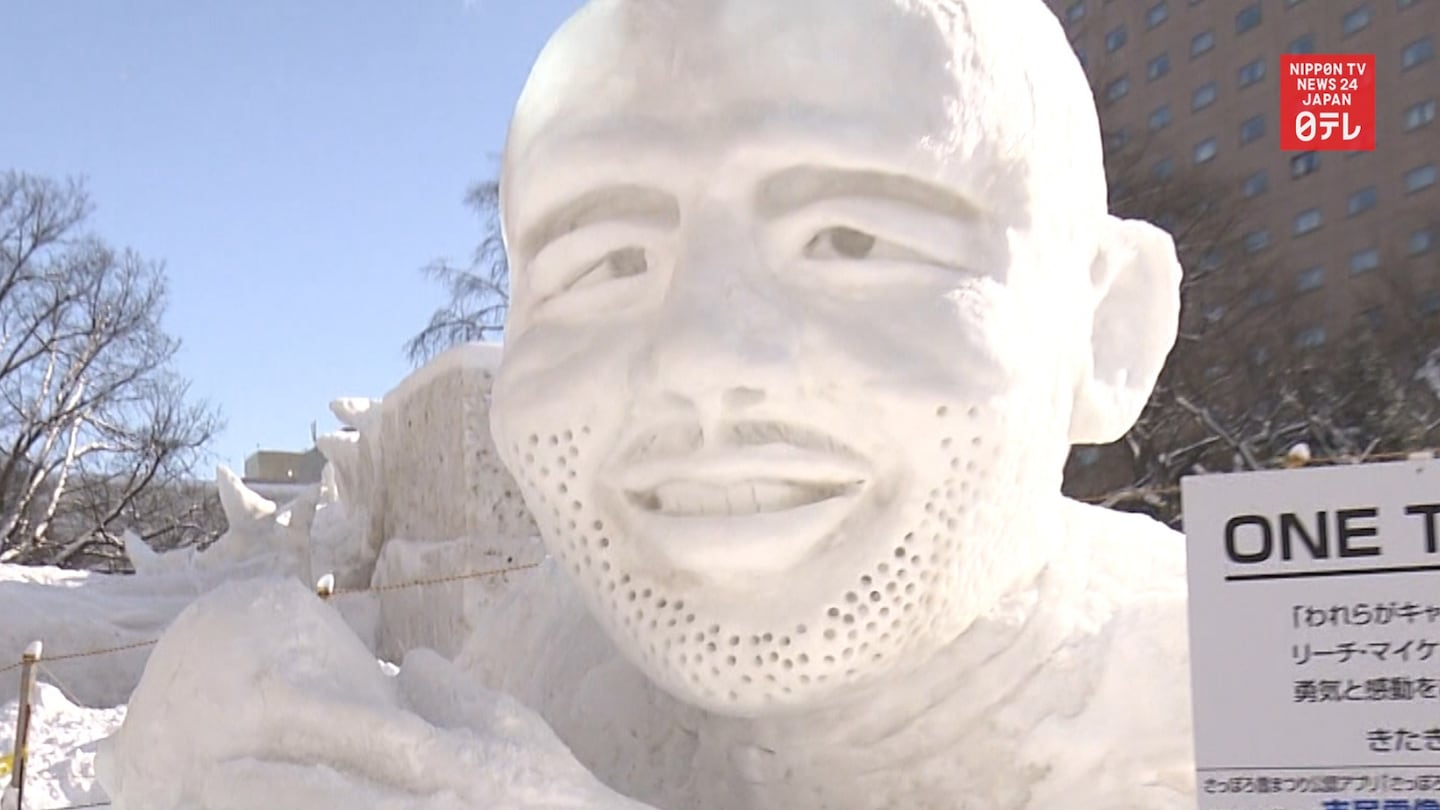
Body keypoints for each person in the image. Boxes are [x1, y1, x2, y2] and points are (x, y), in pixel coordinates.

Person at [101, 1, 1193, 808]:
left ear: (1109, 333)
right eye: (609, 259)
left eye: (851, 239)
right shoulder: (544, 665)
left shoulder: (1234, 709)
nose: (695, 355)